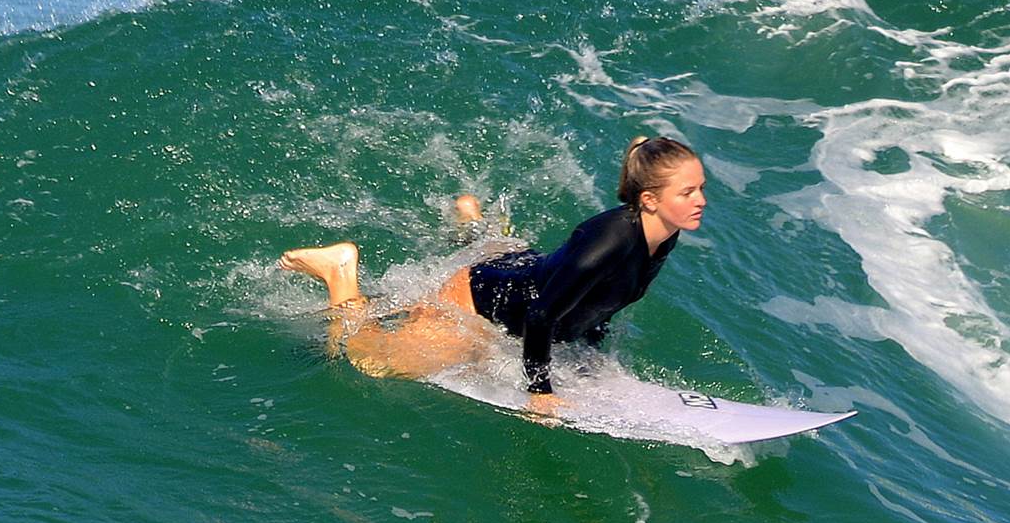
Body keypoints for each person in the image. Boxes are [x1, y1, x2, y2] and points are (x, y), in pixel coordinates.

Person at [280, 136, 707, 416]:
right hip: (480, 301)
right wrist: (540, 392)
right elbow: (540, 314)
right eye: (687, 192)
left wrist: (589, 353)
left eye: (700, 188)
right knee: (374, 361)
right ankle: (338, 270)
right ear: (649, 200)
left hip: (520, 267)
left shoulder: (663, 233)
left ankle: (472, 223)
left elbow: (602, 298)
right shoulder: (609, 243)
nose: (700, 200)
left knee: (510, 259)